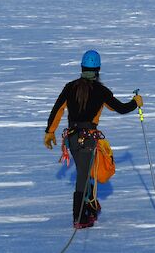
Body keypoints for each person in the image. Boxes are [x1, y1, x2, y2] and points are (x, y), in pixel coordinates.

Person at [44, 50, 143, 229]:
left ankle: (89, 205)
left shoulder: (70, 87)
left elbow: (57, 109)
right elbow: (120, 108)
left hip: (72, 140)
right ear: (98, 70)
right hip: (89, 140)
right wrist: (136, 102)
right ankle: (80, 217)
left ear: (82, 67)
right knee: (83, 174)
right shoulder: (101, 91)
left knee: (84, 171)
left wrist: (50, 132)